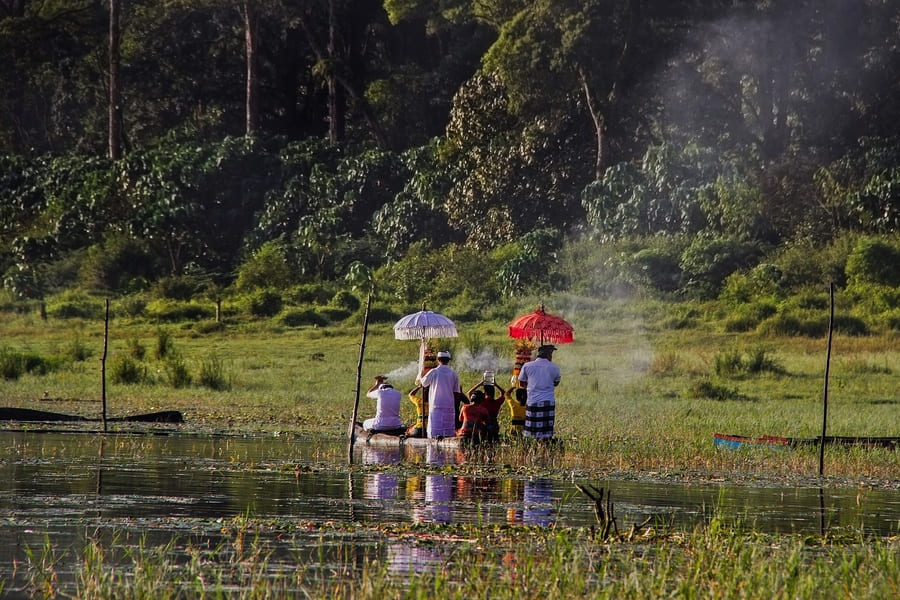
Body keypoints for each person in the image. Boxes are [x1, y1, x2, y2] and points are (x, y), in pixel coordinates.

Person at [517, 344, 561, 439]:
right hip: (548, 402)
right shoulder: (554, 367)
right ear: (549, 355)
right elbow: (556, 383)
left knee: (531, 431)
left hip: (532, 401)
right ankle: (546, 443)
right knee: (546, 432)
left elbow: (521, 383)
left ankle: (533, 444)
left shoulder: (527, 366)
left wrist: (531, 386)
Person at [418, 350, 460, 438]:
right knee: (448, 431)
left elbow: (423, 383)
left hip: (436, 405)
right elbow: (456, 392)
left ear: (438, 360)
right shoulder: (453, 373)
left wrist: (421, 372)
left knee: (434, 431)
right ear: (448, 360)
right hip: (449, 405)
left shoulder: (434, 372)